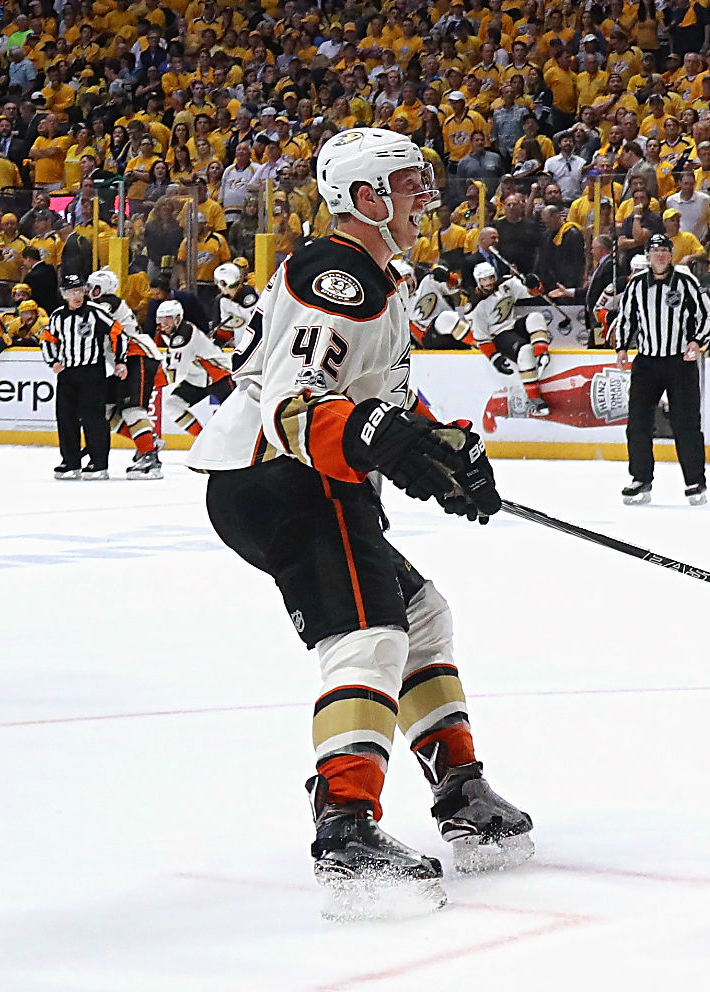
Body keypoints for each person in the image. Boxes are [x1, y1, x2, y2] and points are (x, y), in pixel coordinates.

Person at [188, 128, 529, 917]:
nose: (423, 195)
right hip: (281, 475)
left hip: (305, 477)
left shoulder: (379, 277)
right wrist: (392, 442)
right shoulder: (336, 275)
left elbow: (378, 398)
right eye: (408, 183)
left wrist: (443, 452)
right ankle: (345, 827)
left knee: (420, 615)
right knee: (370, 635)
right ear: (366, 197)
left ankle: (460, 789)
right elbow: (293, 406)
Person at [613, 233, 710, 506]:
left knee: (686, 423)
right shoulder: (636, 284)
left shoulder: (686, 282)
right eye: (655, 251)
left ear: (671, 255)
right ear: (648, 255)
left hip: (680, 362)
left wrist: (697, 340)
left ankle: (695, 481)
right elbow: (626, 317)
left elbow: (708, 314)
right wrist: (622, 347)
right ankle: (640, 478)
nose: (660, 255)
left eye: (664, 251)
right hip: (647, 362)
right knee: (638, 423)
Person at [41, 270, 127, 481]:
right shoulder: (57, 316)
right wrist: (53, 361)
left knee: (93, 417)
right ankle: (70, 461)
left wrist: (120, 361)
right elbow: (49, 340)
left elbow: (118, 334)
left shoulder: (96, 312)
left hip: (92, 372)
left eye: (79, 291)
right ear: (64, 294)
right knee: (66, 417)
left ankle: (98, 462)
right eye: (72, 292)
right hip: (67, 374)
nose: (77, 296)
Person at [86, 268, 164, 479]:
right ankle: (148, 442)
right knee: (106, 408)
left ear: (104, 287)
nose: (89, 291)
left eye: (93, 287)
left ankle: (150, 458)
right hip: (127, 361)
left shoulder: (107, 302)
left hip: (137, 356)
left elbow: (93, 321)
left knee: (132, 408)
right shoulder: (103, 304)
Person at [466, 261, 553, 415]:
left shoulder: (506, 283)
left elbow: (533, 293)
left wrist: (534, 284)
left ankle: (542, 355)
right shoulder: (474, 306)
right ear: (478, 281)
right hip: (499, 335)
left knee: (535, 317)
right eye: (484, 280)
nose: (489, 282)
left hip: (513, 325)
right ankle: (535, 399)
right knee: (525, 351)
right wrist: (494, 358)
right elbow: (481, 338)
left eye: (491, 277)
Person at [151, 299, 232, 436]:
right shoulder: (166, 334)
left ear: (178, 318)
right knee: (172, 406)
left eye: (168, 319)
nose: (163, 323)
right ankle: (203, 440)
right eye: (161, 319)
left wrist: (148, 380)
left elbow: (175, 373)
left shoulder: (184, 334)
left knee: (234, 415)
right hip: (196, 379)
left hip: (219, 376)